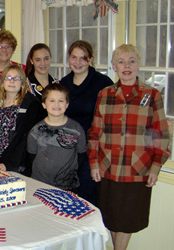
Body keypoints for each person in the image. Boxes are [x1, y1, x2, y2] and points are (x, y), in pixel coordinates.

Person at [87, 44, 171, 250]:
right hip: (108, 167)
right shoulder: (104, 94)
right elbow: (95, 132)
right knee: (112, 218)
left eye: (131, 61)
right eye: (121, 62)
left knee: (127, 220)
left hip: (137, 169)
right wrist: (93, 163)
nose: (126, 66)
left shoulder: (152, 95)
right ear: (114, 66)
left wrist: (155, 166)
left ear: (138, 65)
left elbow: (160, 135)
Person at [60, 40, 114, 204]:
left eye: (83, 58)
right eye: (74, 57)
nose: (77, 62)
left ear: (90, 59)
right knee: (66, 197)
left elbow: (110, 120)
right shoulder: (63, 84)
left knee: (87, 197)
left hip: (91, 150)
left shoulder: (103, 84)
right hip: (66, 148)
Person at [0, 65, 45, 177]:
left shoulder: (32, 105)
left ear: (22, 82)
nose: (12, 81)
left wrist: (9, 164)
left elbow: (27, 140)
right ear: (2, 81)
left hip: (18, 167)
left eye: (16, 78)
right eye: (8, 77)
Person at [27, 84, 86, 193]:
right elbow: (32, 157)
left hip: (69, 187)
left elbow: (81, 155)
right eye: (52, 100)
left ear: (67, 104)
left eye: (61, 101)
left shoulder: (77, 129)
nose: (56, 104)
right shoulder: (35, 131)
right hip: (40, 185)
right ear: (44, 104)